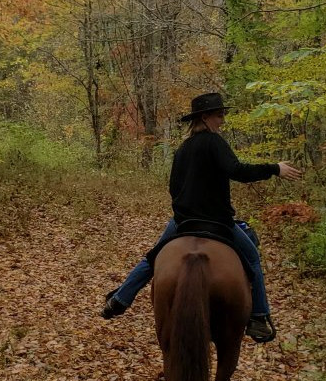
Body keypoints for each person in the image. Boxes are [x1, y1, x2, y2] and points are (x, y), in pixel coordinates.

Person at [101, 92, 302, 343]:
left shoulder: (182, 149)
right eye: (219, 115)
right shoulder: (214, 142)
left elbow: (173, 187)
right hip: (218, 221)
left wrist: (185, 209)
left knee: (153, 258)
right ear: (205, 117)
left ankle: (120, 298)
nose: (223, 120)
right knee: (252, 259)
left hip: (183, 221)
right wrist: (274, 168)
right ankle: (259, 317)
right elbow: (236, 171)